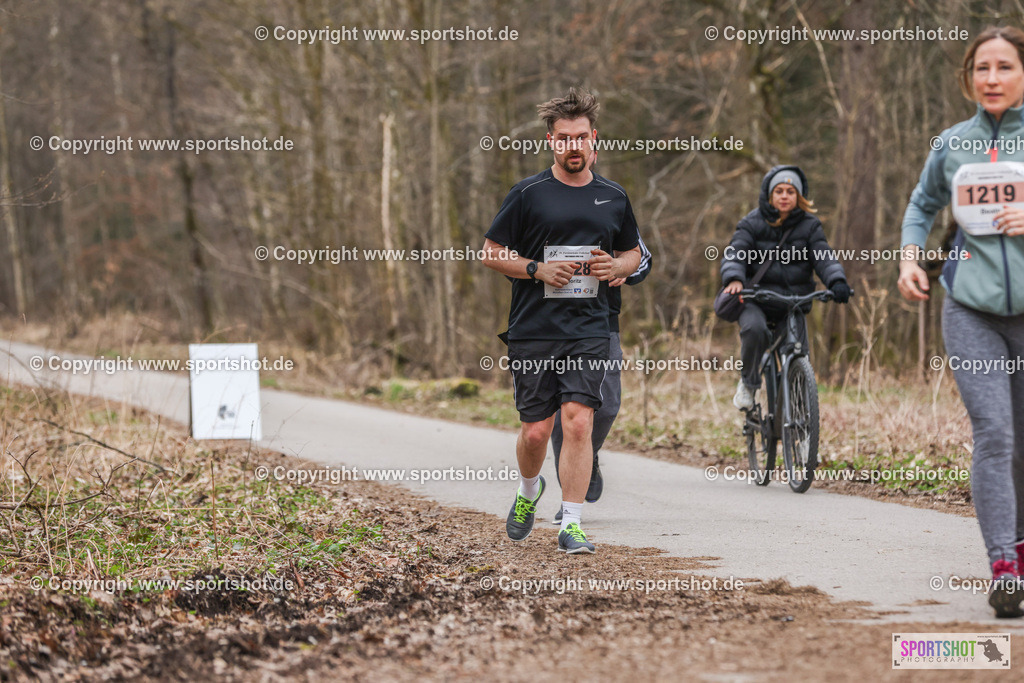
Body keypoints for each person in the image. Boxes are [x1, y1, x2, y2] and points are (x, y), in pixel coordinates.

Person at [482, 87, 642, 554]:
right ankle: (529, 491)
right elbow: (491, 253)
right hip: (534, 328)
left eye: (581, 137)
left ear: (594, 139)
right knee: (536, 430)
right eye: (564, 138)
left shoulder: (614, 196)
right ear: (551, 141)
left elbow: (633, 252)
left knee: (578, 423)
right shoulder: (527, 194)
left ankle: (571, 523)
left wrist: (617, 266)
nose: (574, 146)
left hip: (590, 327)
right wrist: (537, 269)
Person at [898, 26, 1024, 618]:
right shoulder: (952, 143)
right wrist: (909, 258)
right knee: (995, 434)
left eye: (1004, 67)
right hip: (970, 309)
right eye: (981, 69)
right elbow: (921, 204)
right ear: (968, 78)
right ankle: (1004, 567)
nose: (991, 79)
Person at [549, 137, 653, 522]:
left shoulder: (611, 199)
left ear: (594, 154)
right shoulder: (542, 197)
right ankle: (569, 500)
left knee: (605, 405)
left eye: (587, 146)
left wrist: (620, 268)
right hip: (549, 321)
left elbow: (640, 257)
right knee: (565, 411)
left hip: (601, 320)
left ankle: (587, 455)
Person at [720, 165, 850, 411]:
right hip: (756, 299)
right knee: (754, 329)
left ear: (799, 196)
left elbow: (823, 257)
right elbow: (735, 252)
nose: (784, 196)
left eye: (790, 192)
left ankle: (798, 415)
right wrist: (734, 278)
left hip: (792, 302)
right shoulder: (751, 222)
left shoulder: (810, 226)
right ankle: (749, 383)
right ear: (770, 195)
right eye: (779, 191)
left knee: (797, 352)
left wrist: (837, 281)